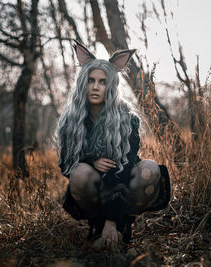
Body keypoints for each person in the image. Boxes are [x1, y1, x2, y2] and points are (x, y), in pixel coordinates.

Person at [56, 40, 171, 248]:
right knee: (80, 172)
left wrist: (113, 220)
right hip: (92, 185)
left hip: (124, 181)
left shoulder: (127, 118)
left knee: (150, 169)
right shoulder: (70, 120)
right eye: (91, 80)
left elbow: (125, 167)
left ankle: (122, 224)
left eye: (102, 82)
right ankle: (97, 226)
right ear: (83, 82)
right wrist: (91, 161)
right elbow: (66, 164)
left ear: (111, 85)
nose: (96, 87)